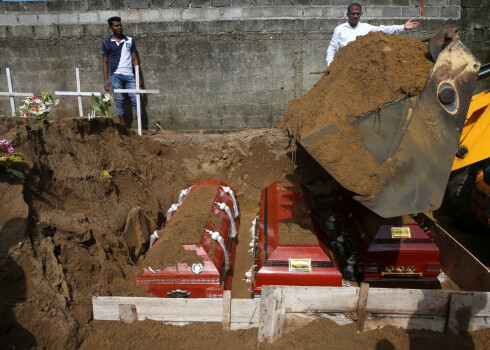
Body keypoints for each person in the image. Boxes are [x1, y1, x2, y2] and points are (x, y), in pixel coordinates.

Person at [102, 16, 155, 135]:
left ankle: (141, 128)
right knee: (119, 100)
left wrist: (138, 77)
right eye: (116, 25)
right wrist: (106, 81)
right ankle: (123, 128)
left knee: (136, 99)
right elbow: (105, 62)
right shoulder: (106, 43)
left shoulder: (129, 41)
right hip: (115, 76)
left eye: (120, 25)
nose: (119, 27)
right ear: (111, 28)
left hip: (130, 75)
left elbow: (135, 60)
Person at [326, 3, 420, 66]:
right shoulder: (339, 29)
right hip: (343, 66)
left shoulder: (366, 28)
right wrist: (330, 64)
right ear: (348, 15)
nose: (355, 16)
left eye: (358, 14)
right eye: (353, 14)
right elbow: (332, 48)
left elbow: (383, 29)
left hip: (361, 66)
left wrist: (402, 27)